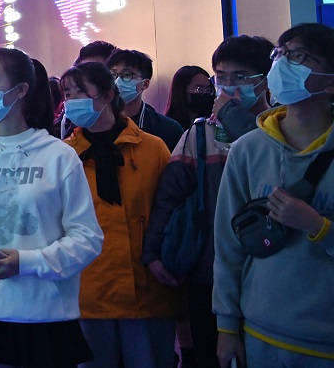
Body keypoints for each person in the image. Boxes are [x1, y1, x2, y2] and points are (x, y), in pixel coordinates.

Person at [0, 49, 102, 368]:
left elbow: (87, 238)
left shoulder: (58, 156)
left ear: (20, 91)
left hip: (48, 318)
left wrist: (27, 262)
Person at [143, 35, 273, 368]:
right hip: (208, 272)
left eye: (240, 77)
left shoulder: (282, 133)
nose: (228, 86)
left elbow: (266, 157)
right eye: (221, 77)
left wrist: (233, 117)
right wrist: (153, 253)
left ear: (266, 79)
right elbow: (169, 197)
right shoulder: (199, 135)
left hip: (268, 272)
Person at [214, 24, 334, 368]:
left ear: (330, 81)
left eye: (298, 56)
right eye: (279, 54)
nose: (282, 63)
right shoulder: (247, 150)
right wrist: (226, 326)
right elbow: (228, 244)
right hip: (261, 332)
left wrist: (318, 226)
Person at [61, 62, 179, 368]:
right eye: (67, 93)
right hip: (87, 294)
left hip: (147, 291)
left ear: (107, 96)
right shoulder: (64, 155)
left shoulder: (152, 148)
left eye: (80, 92)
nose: (71, 100)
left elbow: (171, 212)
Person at [106, 48, 184, 150]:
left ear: (145, 84)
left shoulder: (168, 129)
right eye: (113, 74)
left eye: (127, 75)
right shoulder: (98, 122)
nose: (117, 81)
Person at [59, 41, 118, 138]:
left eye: (95, 70)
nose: (86, 75)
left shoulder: (136, 132)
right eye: (82, 68)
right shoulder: (68, 124)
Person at [164, 65, 214, 130]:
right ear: (182, 90)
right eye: (199, 89)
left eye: (208, 89)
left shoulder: (212, 122)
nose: (205, 92)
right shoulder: (168, 126)